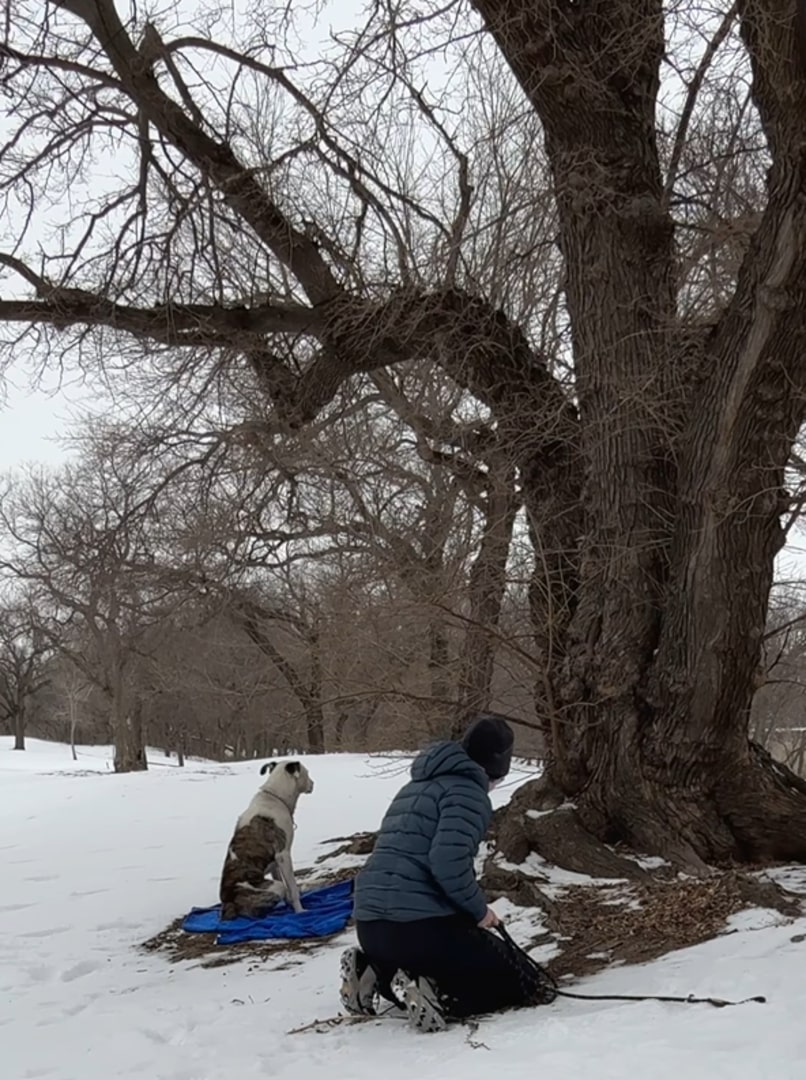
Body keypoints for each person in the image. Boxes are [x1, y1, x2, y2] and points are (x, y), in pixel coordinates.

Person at [339, 714, 556, 1032]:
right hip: (417, 928)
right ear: (496, 767)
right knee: (522, 982)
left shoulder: (414, 788)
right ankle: (434, 991)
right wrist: (479, 911)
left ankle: (371, 973)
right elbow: (447, 864)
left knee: (420, 960)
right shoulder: (469, 794)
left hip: (371, 927)